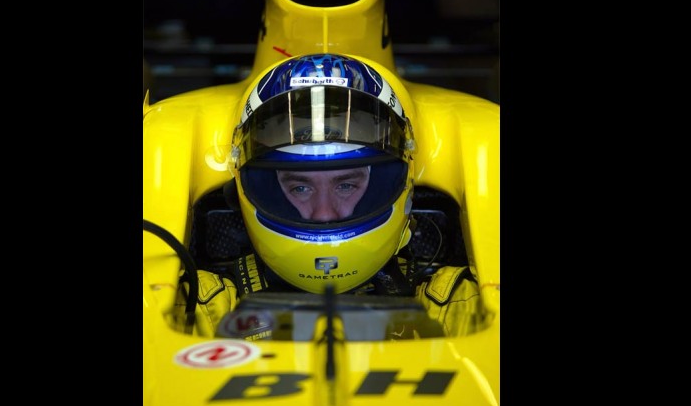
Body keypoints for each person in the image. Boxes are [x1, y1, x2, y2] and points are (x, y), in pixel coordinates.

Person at [170, 53, 490, 339]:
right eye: (301, 188)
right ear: (252, 190)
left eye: (345, 185)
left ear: (394, 184)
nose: (324, 213)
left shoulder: (457, 308)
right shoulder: (203, 311)